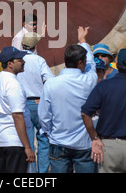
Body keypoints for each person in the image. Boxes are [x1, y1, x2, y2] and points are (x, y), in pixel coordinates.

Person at [38, 27, 97, 173]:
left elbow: (44, 116)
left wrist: (50, 132)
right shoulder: (89, 80)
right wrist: (83, 40)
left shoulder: (51, 83)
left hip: (58, 142)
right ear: (81, 63)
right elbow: (91, 61)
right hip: (84, 144)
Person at [0, 46, 36, 173]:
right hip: (14, 141)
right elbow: (17, 116)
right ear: (10, 64)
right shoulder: (13, 84)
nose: (24, 62)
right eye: (20, 60)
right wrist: (27, 147)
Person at [17, 31, 54, 173]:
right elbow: (50, 80)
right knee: (44, 140)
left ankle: (30, 173)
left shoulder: (17, 60)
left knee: (28, 141)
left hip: (23, 104)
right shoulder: (39, 60)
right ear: (35, 45)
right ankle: (43, 172)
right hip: (39, 103)